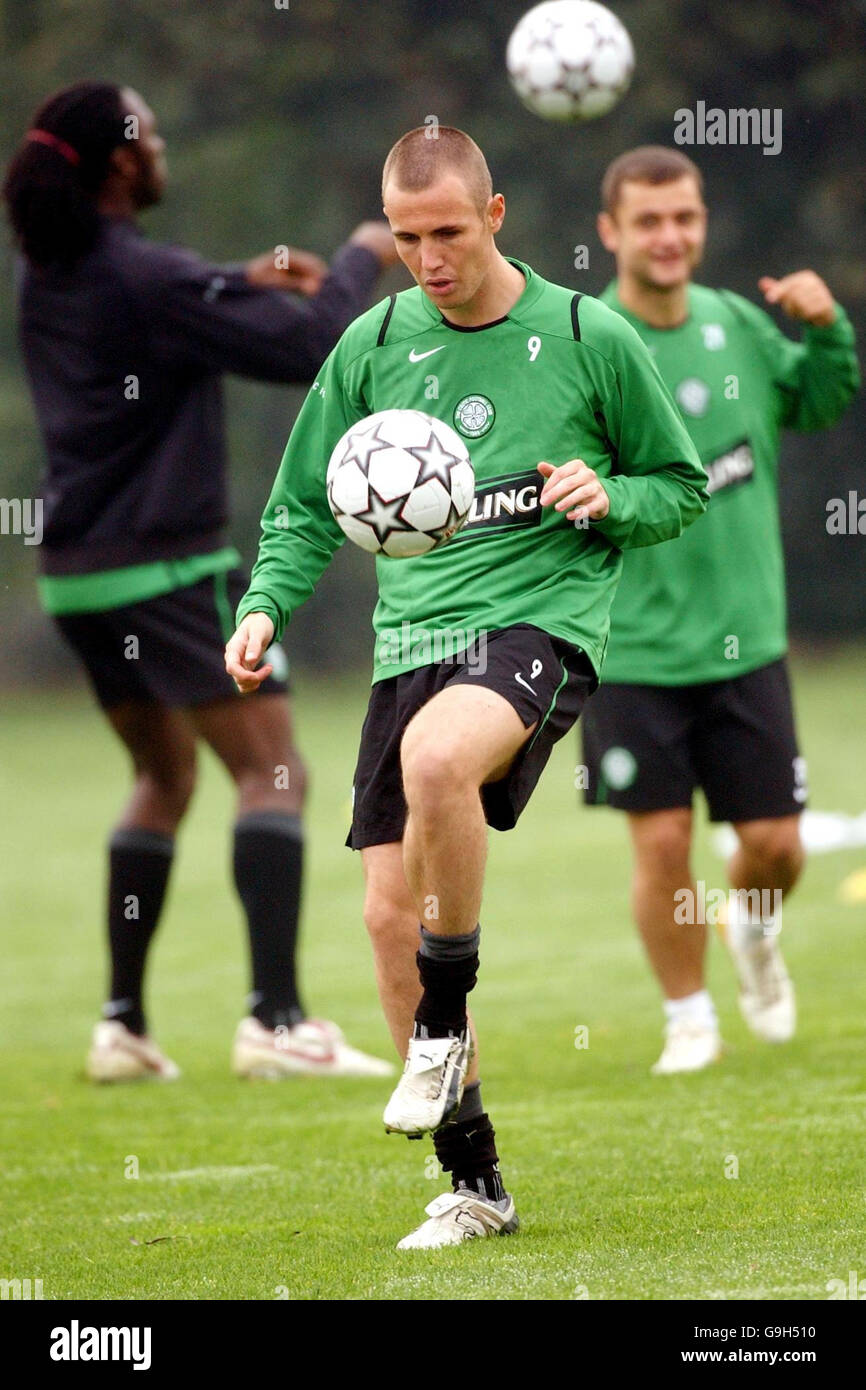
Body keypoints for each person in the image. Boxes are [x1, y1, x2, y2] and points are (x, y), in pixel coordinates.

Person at [225, 126, 708, 1248]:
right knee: (388, 916)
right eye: (403, 238)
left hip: (541, 622)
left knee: (438, 758)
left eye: (446, 232)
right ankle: (475, 1183)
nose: (426, 258)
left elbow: (675, 483)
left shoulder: (589, 334)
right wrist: (263, 606)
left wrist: (607, 494)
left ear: (492, 219)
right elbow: (302, 506)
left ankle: (439, 1024)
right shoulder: (370, 343)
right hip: (412, 643)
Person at [4, 81, 399, 1082]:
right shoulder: (144, 279)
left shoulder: (48, 271)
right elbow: (313, 345)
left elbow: (162, 293)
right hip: (168, 570)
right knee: (274, 772)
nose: (166, 141)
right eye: (153, 130)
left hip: (79, 579)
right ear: (123, 163)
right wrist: (362, 253)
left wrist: (243, 274)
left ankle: (122, 1025)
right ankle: (275, 1021)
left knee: (163, 776)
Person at [579, 147, 859, 1075]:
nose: (670, 236)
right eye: (649, 220)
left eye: (684, 217)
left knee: (774, 847)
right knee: (661, 842)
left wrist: (826, 332)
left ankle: (752, 932)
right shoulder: (590, 341)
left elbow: (820, 402)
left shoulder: (737, 321)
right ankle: (688, 1017)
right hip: (630, 650)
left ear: (702, 223)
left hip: (748, 641)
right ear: (611, 231)